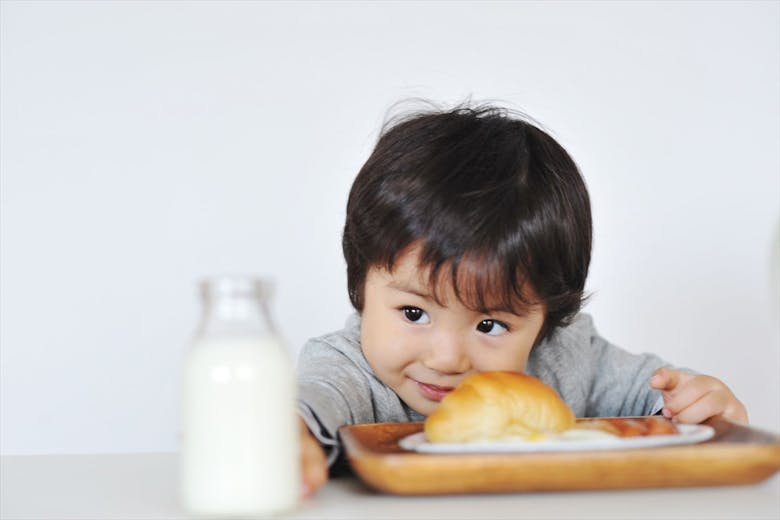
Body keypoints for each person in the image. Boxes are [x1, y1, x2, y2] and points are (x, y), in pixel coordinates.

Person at [295, 102, 747, 496]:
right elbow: (312, 404)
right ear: (361, 288)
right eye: (414, 313)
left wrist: (696, 401)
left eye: (489, 325)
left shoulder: (569, 358)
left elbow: (654, 396)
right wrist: (290, 433)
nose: (447, 358)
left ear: (548, 319)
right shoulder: (347, 369)